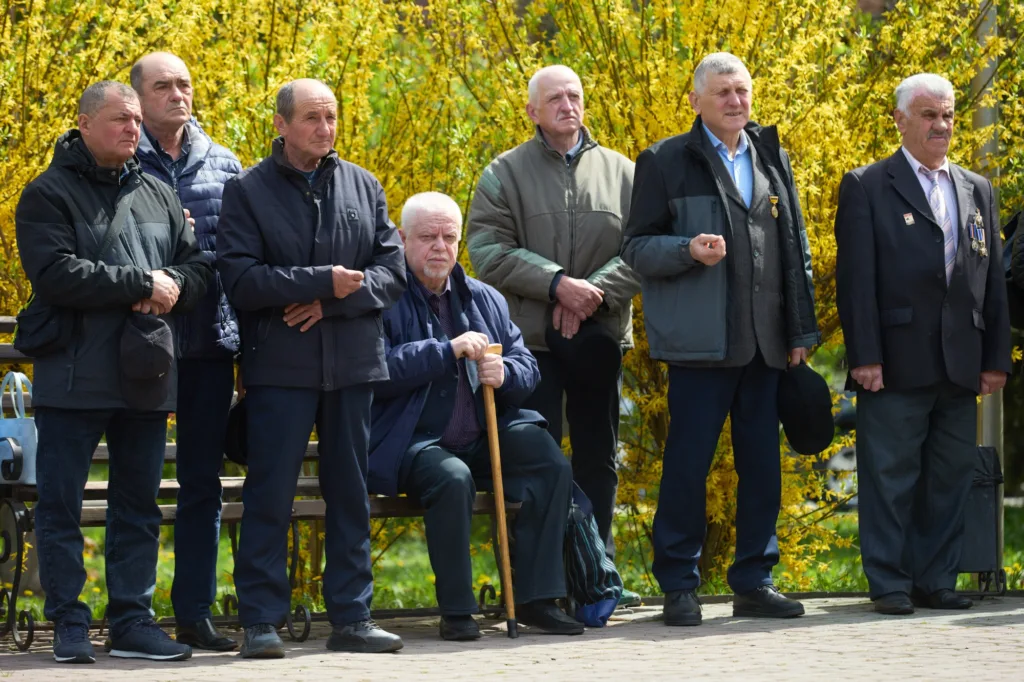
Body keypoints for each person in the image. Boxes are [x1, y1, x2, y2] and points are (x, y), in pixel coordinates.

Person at [15, 80, 211, 663]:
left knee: (140, 504)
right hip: (73, 376)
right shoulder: (46, 194)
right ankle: (69, 621)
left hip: (145, 375)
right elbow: (55, 273)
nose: (132, 128)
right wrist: (141, 284)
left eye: (134, 120)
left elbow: (197, 264)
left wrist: (173, 290)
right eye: (119, 119)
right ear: (83, 124)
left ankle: (132, 621)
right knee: (62, 505)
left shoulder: (157, 191)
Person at [621, 52, 819, 626]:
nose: (737, 101)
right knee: (687, 467)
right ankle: (679, 585)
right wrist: (686, 250)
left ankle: (754, 580)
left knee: (763, 469)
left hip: (766, 345)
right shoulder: (664, 160)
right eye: (724, 92)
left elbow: (795, 249)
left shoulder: (770, 154)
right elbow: (635, 247)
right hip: (700, 346)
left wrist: (799, 330)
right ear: (696, 101)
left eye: (743, 90)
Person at [217, 78, 406, 657]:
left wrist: (330, 300)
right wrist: (319, 280)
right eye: (311, 118)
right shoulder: (246, 191)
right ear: (280, 124)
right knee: (269, 494)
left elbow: (392, 271)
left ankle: (352, 617)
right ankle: (260, 620)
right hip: (281, 366)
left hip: (352, 365)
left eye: (332, 117)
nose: (325, 129)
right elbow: (241, 279)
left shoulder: (363, 184)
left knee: (349, 491)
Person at [834, 73, 1011, 615]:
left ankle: (936, 579)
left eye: (949, 115)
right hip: (894, 360)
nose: (942, 126)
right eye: (930, 115)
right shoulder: (867, 184)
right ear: (901, 120)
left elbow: (992, 280)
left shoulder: (976, 188)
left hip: (961, 361)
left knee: (949, 477)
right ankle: (889, 581)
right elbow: (856, 282)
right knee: (889, 477)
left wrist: (996, 358)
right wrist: (865, 355)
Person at [369, 192, 582, 640]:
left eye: (449, 236)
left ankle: (536, 598)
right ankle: (458, 610)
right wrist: (444, 351)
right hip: (411, 441)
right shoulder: (383, 295)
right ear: (402, 238)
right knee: (452, 477)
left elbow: (528, 367)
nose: (440, 247)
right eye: (428, 237)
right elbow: (376, 370)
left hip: (482, 434)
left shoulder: (485, 298)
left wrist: (503, 372)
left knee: (548, 461)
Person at [466, 66, 640, 597]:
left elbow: (643, 248)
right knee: (537, 461)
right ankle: (539, 582)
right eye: (555, 98)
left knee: (598, 458)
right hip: (531, 345)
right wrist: (557, 285)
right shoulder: (503, 173)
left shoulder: (623, 172)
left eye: (575, 96)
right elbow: (486, 251)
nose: (568, 105)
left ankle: (597, 574)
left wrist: (590, 294)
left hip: (598, 341)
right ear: (532, 111)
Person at [131, 51, 242, 652]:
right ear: (138, 97)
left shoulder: (224, 163)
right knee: (139, 480)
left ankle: (194, 611)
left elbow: (240, 259)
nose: (178, 94)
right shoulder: (120, 159)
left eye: (185, 85)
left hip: (207, 346)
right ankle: (134, 612)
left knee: (204, 481)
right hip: (135, 347)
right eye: (164, 86)